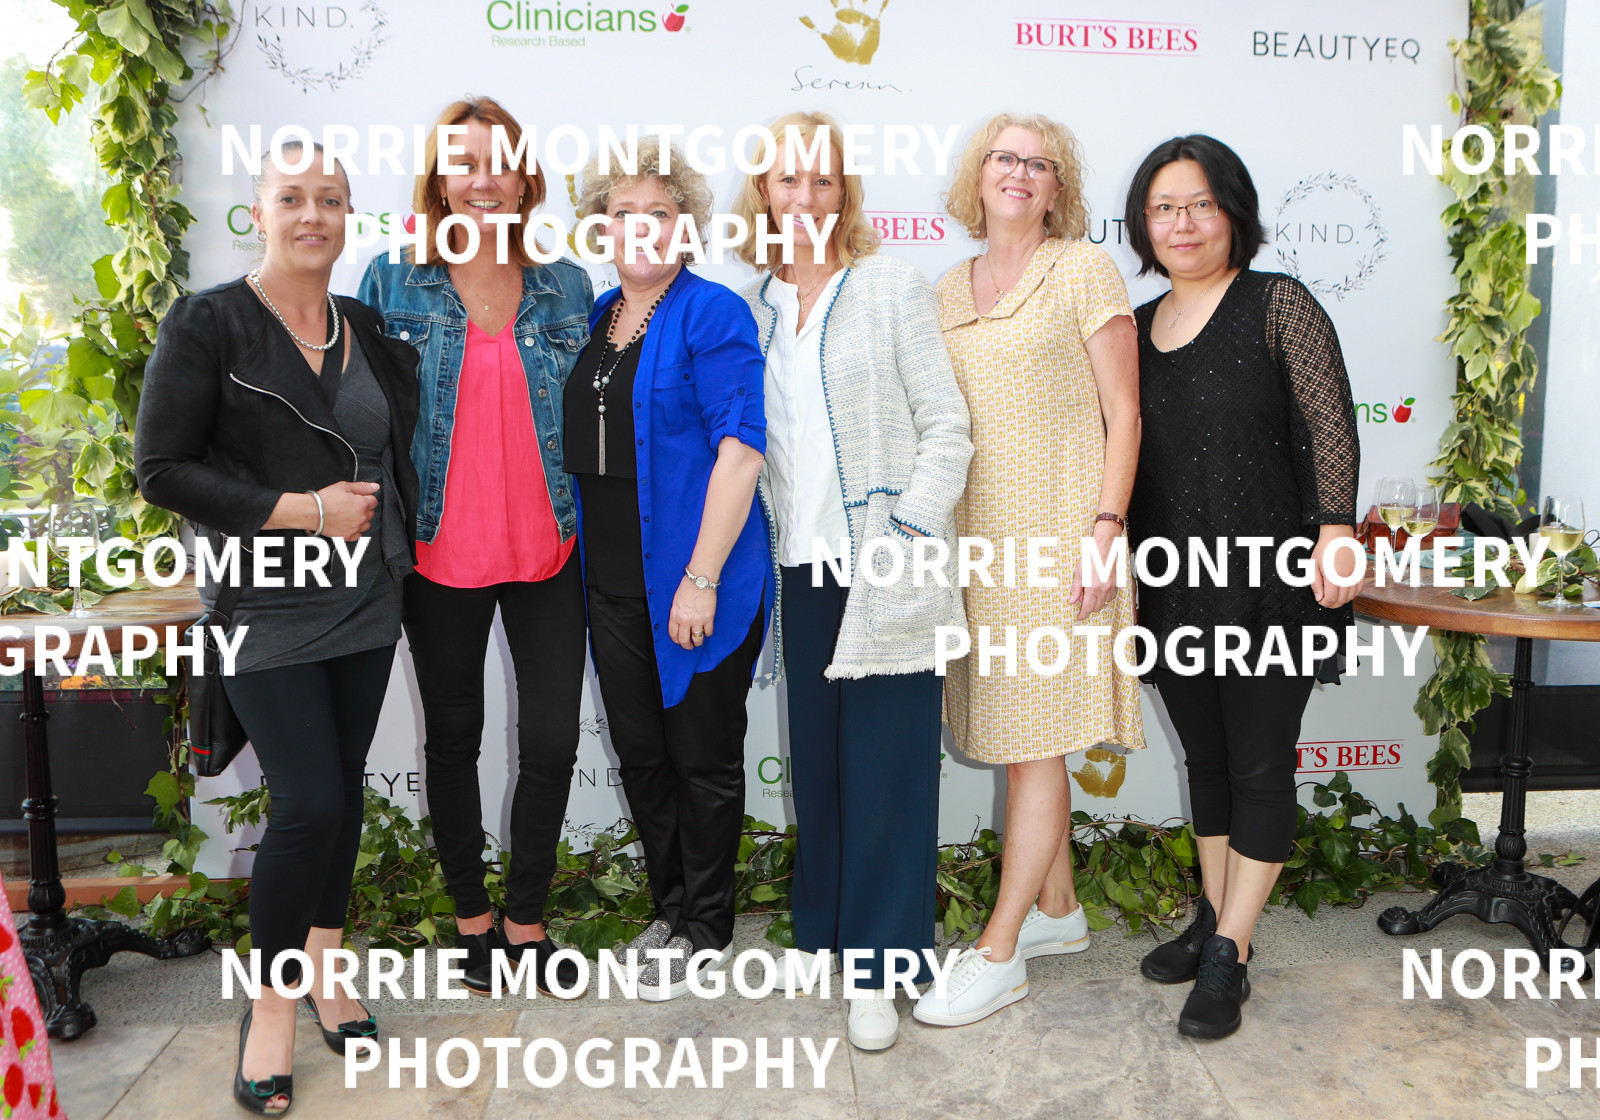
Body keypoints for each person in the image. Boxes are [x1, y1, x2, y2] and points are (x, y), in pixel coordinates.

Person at [137, 141, 419, 1114]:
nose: (312, 215)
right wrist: (303, 510)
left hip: (365, 599)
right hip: (262, 605)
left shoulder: (365, 324)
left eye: (330, 199)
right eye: (291, 197)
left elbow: (392, 455)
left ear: (347, 217)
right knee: (306, 802)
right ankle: (270, 1007)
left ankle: (328, 968)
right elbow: (163, 470)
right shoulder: (208, 323)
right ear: (258, 213)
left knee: (340, 794)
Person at [732, 111, 972, 1051]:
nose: (805, 196)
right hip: (798, 568)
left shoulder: (888, 287)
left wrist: (907, 529)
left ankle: (884, 964)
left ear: (846, 193)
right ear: (764, 191)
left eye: (823, 180)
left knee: (888, 774)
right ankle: (826, 932)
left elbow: (947, 426)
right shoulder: (749, 304)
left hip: (885, 566)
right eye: (788, 180)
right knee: (824, 765)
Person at [1121, 134, 1360, 1040]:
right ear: (1144, 224)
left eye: (1200, 204)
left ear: (1233, 212)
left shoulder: (1277, 303)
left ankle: (1232, 952)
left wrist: (1334, 528)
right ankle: (1215, 917)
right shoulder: (1135, 328)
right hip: (1175, 584)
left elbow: (1329, 423)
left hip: (1270, 583)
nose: (1182, 223)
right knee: (1209, 764)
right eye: (1164, 208)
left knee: (1260, 766)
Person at [912, 112, 1145, 1029]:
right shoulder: (945, 289)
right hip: (977, 548)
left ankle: (1000, 951)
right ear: (979, 176)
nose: (1019, 172)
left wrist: (1107, 527)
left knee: (1034, 743)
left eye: (1038, 164)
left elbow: (1125, 413)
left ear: (1057, 187)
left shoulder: (1083, 269)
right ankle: (1058, 907)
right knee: (1016, 735)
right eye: (1004, 158)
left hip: (1062, 542)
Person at [357, 97, 592, 998]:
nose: (483, 180)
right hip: (437, 554)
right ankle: (471, 923)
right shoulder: (392, 281)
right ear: (440, 180)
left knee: (553, 739)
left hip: (549, 549)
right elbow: (361, 416)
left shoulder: (566, 287)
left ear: (526, 179)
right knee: (453, 739)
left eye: (500, 163)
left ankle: (527, 919)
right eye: (464, 163)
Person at [566, 138, 770, 1000]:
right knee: (644, 758)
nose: (642, 228)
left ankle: (707, 928)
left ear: (686, 226)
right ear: (602, 228)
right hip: (611, 582)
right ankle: (671, 907)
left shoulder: (713, 313)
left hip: (698, 579)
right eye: (625, 213)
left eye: (660, 212)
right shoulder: (598, 316)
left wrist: (701, 577)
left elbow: (742, 450)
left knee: (702, 759)